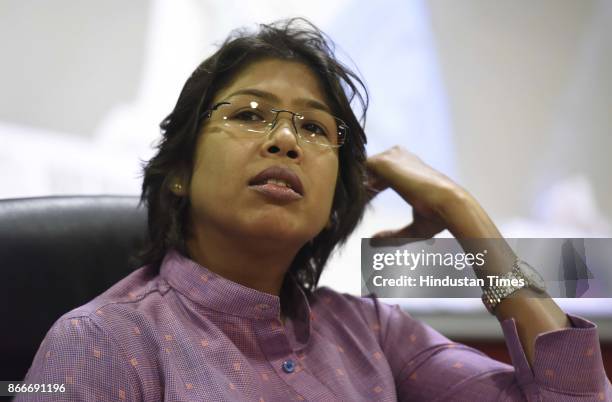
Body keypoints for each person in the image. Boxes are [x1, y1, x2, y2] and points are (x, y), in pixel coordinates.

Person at [17, 18, 610, 401]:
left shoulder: (369, 332)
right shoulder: (102, 342)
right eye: (249, 113)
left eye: (314, 128)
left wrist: (465, 213)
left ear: (334, 201)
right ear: (178, 172)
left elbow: (574, 397)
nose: (285, 140)